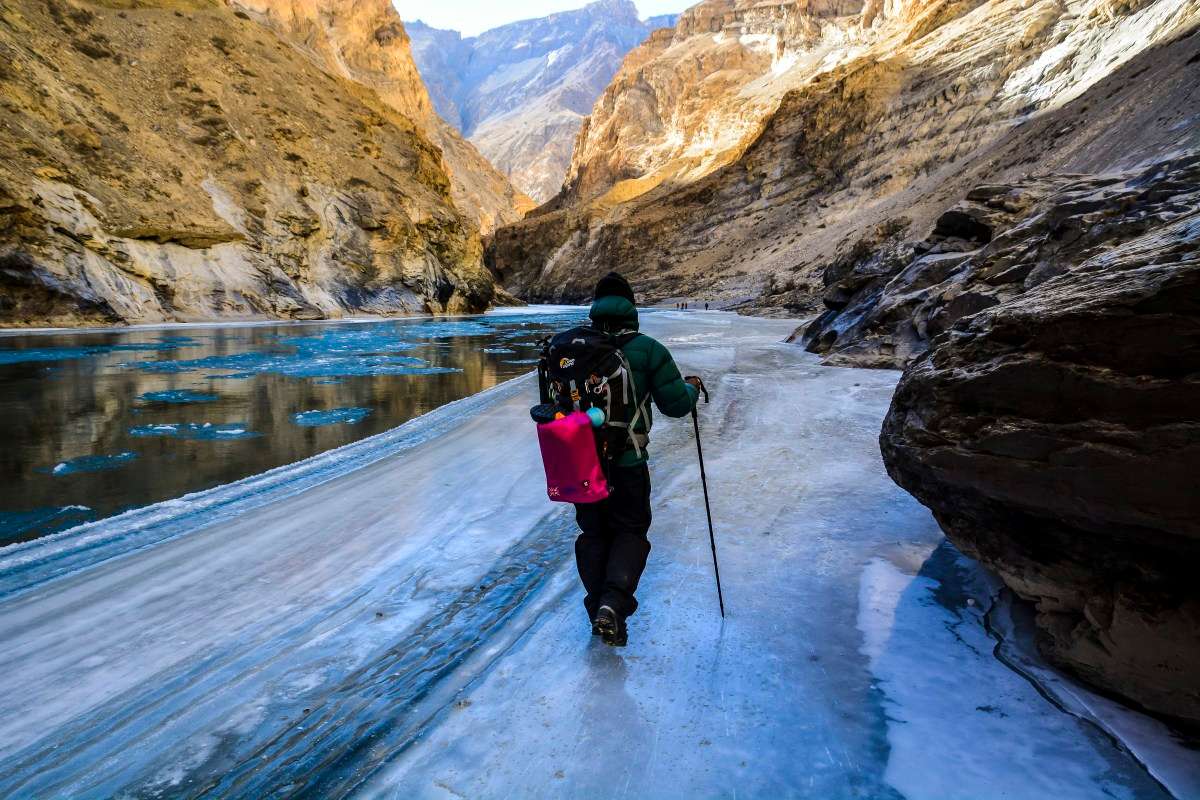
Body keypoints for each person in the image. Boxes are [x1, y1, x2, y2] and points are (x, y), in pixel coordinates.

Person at [576, 272, 702, 647]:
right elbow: (675, 405)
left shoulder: (576, 349)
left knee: (593, 534)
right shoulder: (648, 350)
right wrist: (692, 388)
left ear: (596, 308)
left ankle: (598, 608)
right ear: (630, 308)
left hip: (582, 464)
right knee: (630, 531)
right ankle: (612, 605)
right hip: (627, 461)